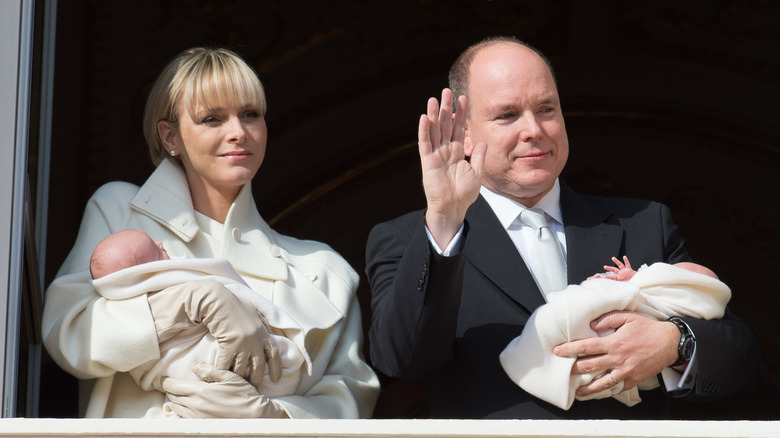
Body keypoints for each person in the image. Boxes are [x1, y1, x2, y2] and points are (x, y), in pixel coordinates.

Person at [365, 36, 760, 419]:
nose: (533, 129)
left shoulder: (643, 223)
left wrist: (674, 343)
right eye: (507, 115)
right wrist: (445, 218)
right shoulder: (411, 238)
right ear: (465, 132)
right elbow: (401, 358)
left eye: (546, 109)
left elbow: (740, 358)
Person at [42, 47, 379, 419]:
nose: (238, 132)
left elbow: (352, 400)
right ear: (170, 137)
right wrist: (191, 300)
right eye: (212, 119)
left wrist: (271, 417)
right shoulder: (120, 211)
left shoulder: (324, 269)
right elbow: (68, 334)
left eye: (250, 114)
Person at [89, 229, 312, 417]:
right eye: (156, 250)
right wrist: (187, 300)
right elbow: (82, 327)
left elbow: (344, 399)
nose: (161, 242)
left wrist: (278, 417)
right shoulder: (114, 204)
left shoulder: (325, 266)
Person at [500, 256, 731, 410]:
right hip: (501, 417)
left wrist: (674, 342)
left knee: (573, 312)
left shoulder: (655, 220)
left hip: (629, 422)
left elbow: (731, 340)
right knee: (565, 313)